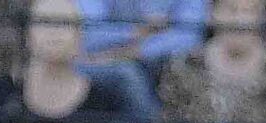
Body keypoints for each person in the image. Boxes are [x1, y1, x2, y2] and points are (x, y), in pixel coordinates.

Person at [0, 0, 155, 123]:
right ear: (27, 34)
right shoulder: (1, 97)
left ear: (79, 36)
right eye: (44, 22)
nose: (54, 32)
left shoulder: (104, 105)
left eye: (64, 24)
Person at [76, 0, 207, 70]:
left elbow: (189, 36)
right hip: (99, 64)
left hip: (163, 68)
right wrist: (135, 31)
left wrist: (135, 51)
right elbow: (85, 32)